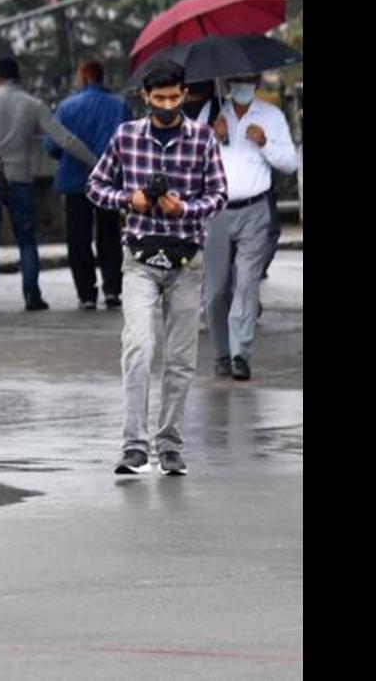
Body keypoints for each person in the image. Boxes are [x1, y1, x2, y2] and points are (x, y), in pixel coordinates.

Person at [87, 60, 227, 477]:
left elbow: (219, 194)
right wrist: (130, 199)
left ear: (184, 94)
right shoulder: (126, 136)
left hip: (187, 258)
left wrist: (185, 207)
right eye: (159, 98)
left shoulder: (202, 138)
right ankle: (134, 447)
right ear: (145, 97)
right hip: (139, 259)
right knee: (139, 347)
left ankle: (170, 446)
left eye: (174, 97)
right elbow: (95, 185)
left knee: (181, 358)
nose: (167, 105)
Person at [0, 57, 98, 311]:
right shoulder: (33, 104)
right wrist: (96, 162)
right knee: (27, 239)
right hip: (21, 177)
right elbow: (65, 139)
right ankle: (32, 295)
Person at [204, 74, 298, 381]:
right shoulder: (213, 113)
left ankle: (239, 354)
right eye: (236, 79)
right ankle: (221, 353)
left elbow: (290, 163)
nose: (242, 84)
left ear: (257, 81)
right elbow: (188, 159)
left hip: (255, 211)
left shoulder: (271, 116)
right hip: (217, 211)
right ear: (227, 82)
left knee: (246, 282)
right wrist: (210, 136)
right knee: (216, 289)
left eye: (248, 78)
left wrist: (264, 142)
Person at [48, 60, 133, 311]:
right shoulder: (120, 106)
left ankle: (86, 293)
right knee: (110, 236)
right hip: (109, 181)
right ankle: (112, 290)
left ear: (84, 77)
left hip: (75, 182)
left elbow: (53, 146)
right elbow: (129, 143)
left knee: (78, 238)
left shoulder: (66, 107)